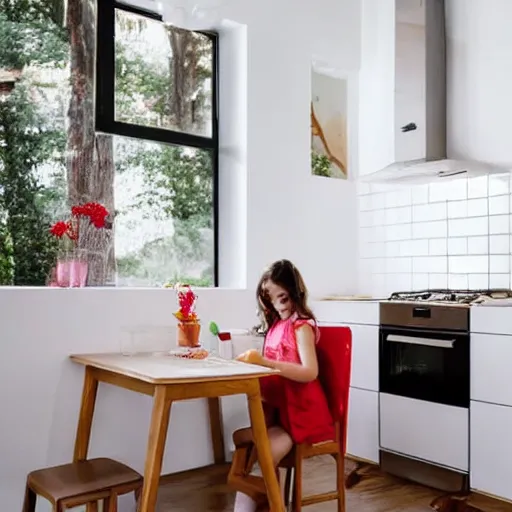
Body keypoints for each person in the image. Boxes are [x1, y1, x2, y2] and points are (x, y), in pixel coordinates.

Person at [232, 259, 335, 512]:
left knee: (262, 459)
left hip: (299, 415)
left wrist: (266, 363)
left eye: (284, 298)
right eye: (271, 299)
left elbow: (310, 371)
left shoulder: (301, 326)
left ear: (295, 295)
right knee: (241, 441)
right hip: (279, 413)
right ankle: (267, 501)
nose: (278, 305)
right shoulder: (276, 325)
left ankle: (268, 503)